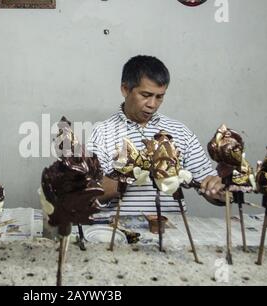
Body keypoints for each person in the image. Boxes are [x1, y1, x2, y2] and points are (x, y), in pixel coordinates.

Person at [87, 55, 225, 216]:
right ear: (125, 89)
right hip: (120, 232)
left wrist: (220, 192)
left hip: (172, 230)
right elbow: (88, 196)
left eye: (159, 97)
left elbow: (212, 190)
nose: (152, 104)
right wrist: (132, 170)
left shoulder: (179, 131)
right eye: (145, 95)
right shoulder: (101, 133)